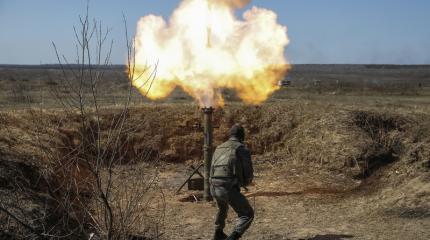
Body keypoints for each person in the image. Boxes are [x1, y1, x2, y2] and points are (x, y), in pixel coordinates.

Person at [210, 124, 254, 240]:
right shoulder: (241, 148)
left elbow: (211, 168)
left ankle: (218, 233)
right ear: (242, 136)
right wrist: (245, 182)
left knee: (222, 208)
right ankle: (232, 237)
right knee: (247, 214)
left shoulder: (219, 147)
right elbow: (248, 171)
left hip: (214, 186)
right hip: (227, 187)